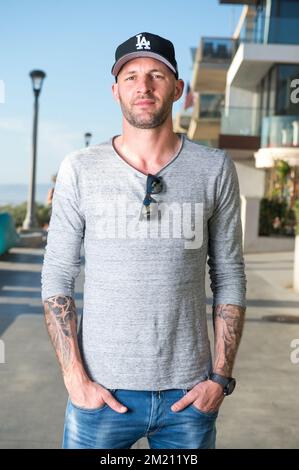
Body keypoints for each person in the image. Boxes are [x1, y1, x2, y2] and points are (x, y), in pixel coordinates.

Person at [41, 32, 246, 449]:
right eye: (131, 76)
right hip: (100, 397)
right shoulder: (80, 169)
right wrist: (75, 379)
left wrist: (219, 379)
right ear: (115, 90)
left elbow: (229, 275)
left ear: (177, 88)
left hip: (189, 399)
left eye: (156, 74)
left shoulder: (214, 168)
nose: (144, 86)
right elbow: (58, 276)